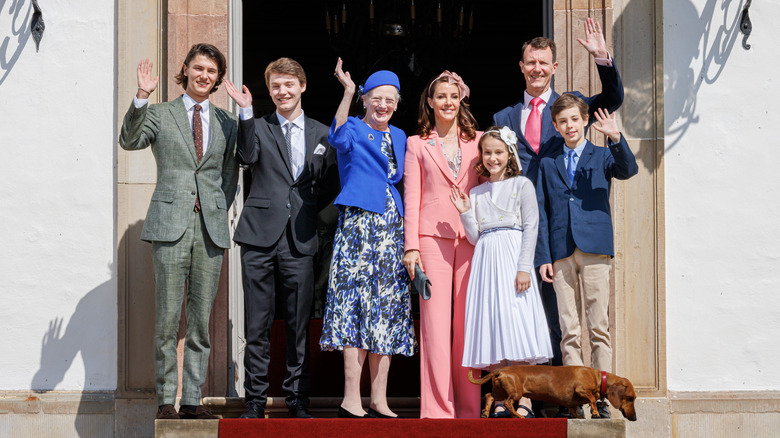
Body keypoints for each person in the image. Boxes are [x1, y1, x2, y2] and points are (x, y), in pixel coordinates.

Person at [493, 20, 624, 409]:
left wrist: (602, 57)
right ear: (521, 66)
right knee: (528, 312)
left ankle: (568, 397)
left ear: (554, 67)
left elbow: (613, 96)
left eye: (543, 62)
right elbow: (489, 156)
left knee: (567, 318)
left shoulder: (570, 108)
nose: (536, 68)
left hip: (564, 227)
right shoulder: (503, 117)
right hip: (519, 226)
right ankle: (530, 395)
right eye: (530, 62)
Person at [119, 43, 239, 420]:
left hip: (210, 230)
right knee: (168, 319)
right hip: (170, 227)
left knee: (201, 321)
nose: (205, 75)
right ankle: (166, 401)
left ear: (218, 78)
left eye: (212, 71)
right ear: (185, 69)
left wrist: (215, 208)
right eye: (199, 68)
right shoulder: (160, 113)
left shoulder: (227, 123)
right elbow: (130, 139)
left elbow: (228, 177)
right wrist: (141, 95)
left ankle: (192, 402)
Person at [224, 58, 335, 419]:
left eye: (288, 85)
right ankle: (254, 400)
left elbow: (331, 185)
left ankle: (297, 399)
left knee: (298, 325)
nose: (282, 92)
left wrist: (316, 220)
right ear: (269, 91)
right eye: (275, 86)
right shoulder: (257, 126)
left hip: (300, 240)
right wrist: (245, 113)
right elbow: (245, 157)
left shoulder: (322, 133)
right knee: (257, 324)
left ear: (302, 86)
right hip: (258, 237)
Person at [319, 59, 417, 419]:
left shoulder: (402, 136)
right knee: (355, 307)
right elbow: (335, 136)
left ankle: (379, 398)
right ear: (365, 99)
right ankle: (350, 398)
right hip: (359, 227)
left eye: (391, 100)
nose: (384, 105)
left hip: (392, 229)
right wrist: (346, 92)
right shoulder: (355, 129)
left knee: (386, 309)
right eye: (377, 98)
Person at [535, 94, 638, 419]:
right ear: (556, 125)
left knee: (598, 326)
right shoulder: (548, 162)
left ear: (584, 122)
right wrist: (543, 256)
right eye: (562, 121)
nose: (569, 126)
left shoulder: (602, 154)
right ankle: (576, 399)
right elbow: (542, 208)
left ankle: (602, 398)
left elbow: (629, 170)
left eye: (574, 120)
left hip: (594, 247)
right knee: (569, 329)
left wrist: (616, 138)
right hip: (561, 248)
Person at [451, 126, 552, 418]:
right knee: (495, 324)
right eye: (487, 153)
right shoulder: (477, 192)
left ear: (509, 154)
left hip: (512, 254)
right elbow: (473, 236)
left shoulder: (522, 185)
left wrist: (524, 268)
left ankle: (526, 400)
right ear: (481, 156)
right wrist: (464, 211)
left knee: (516, 322)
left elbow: (532, 226)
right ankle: (499, 399)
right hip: (486, 259)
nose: (493, 158)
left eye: (498, 152)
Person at [403, 71, 482, 419]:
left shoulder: (480, 141)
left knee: (468, 325)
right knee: (434, 326)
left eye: (454, 96)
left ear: (460, 99)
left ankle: (468, 408)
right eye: (441, 96)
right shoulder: (416, 143)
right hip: (430, 240)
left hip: (471, 239)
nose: (448, 102)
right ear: (430, 102)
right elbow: (412, 197)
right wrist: (411, 247)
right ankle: (437, 410)